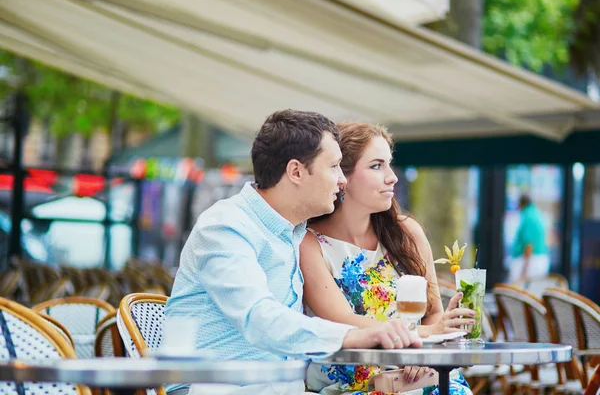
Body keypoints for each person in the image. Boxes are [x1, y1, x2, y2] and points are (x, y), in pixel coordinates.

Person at [165, 110, 421, 395]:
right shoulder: (226, 226)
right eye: (334, 167)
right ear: (296, 171)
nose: (342, 180)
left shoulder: (293, 233)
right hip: (214, 388)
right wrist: (355, 334)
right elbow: (258, 318)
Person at [300, 121, 473, 395]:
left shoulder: (407, 233)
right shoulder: (310, 244)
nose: (392, 177)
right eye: (376, 166)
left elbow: (433, 313)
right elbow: (344, 322)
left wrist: (420, 354)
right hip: (350, 384)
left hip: (415, 378)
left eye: (389, 164)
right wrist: (422, 336)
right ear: (342, 177)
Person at [509, 194, 550, 282]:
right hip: (538, 259)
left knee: (519, 290)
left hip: (531, 261)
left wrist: (524, 270)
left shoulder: (529, 217)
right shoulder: (537, 213)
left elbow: (529, 244)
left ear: (521, 204)